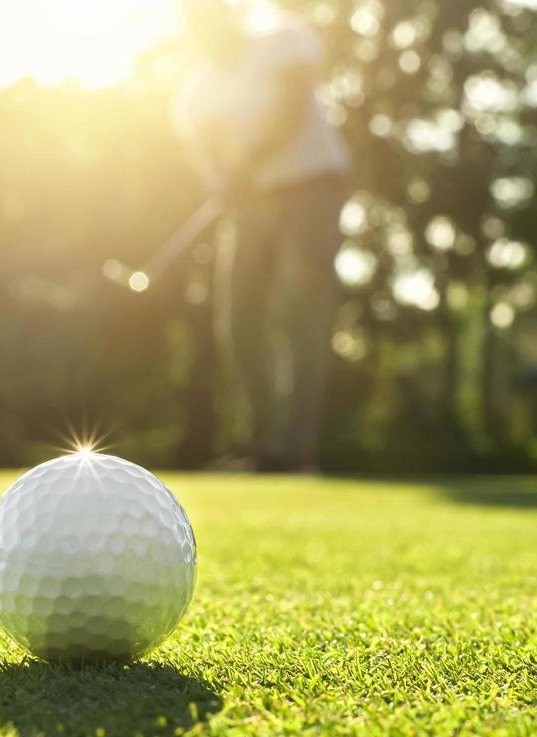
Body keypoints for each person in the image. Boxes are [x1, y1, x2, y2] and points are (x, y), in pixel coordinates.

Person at [173, 0, 350, 472]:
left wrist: (248, 162)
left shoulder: (282, 40)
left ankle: (296, 449)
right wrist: (223, 179)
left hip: (311, 186)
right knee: (238, 317)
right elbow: (206, 157)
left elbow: (292, 113)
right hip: (249, 202)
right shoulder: (194, 93)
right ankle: (261, 443)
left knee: (299, 310)